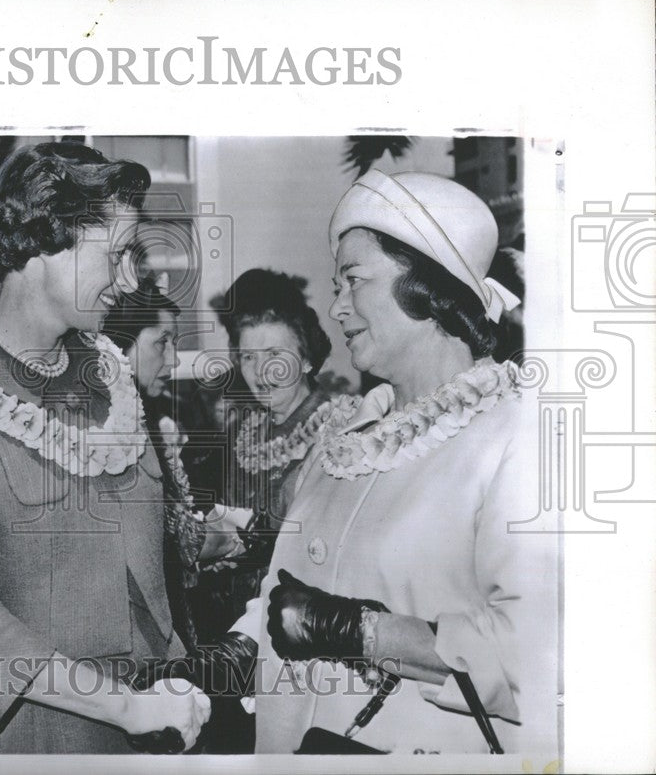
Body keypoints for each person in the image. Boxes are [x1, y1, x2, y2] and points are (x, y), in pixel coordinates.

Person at [0, 142, 210, 754]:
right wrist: (122, 705)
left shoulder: (112, 376)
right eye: (116, 255)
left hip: (152, 722)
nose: (130, 279)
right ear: (44, 240)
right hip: (32, 734)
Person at [228, 170, 557, 754]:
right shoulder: (347, 434)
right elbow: (290, 600)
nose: (337, 307)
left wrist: (367, 632)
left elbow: (540, 654)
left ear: (427, 289)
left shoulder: (518, 436)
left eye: (353, 280)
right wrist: (225, 657)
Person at [101, 277, 247, 655]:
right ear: (120, 345)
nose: (172, 359)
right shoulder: (107, 429)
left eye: (175, 343)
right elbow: (157, 539)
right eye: (161, 342)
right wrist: (224, 539)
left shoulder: (140, 417)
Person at [208, 269, 339, 629]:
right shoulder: (241, 432)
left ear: (308, 358)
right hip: (235, 620)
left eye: (274, 354)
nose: (261, 371)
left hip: (305, 623)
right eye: (248, 357)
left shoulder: (341, 430)